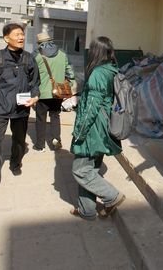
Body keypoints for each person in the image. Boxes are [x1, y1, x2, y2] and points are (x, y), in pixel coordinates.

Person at [0, 23, 40, 205]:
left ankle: (15, 163)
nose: (21, 37)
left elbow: (35, 82)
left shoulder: (29, 58)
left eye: (22, 34)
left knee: (19, 141)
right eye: (17, 34)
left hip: (21, 109)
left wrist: (35, 96)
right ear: (6, 38)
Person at [69, 36, 125, 220]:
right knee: (90, 169)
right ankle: (87, 210)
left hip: (93, 128)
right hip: (103, 126)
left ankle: (112, 196)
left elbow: (91, 107)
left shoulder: (98, 73)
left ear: (96, 51)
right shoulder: (111, 69)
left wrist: (80, 132)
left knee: (80, 170)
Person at [33, 32, 76, 152]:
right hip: (58, 92)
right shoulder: (62, 53)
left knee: (40, 119)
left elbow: (31, 75)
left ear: (39, 43)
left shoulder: (36, 55)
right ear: (51, 40)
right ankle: (56, 140)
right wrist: (69, 85)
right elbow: (70, 71)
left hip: (41, 93)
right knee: (55, 116)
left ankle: (40, 145)